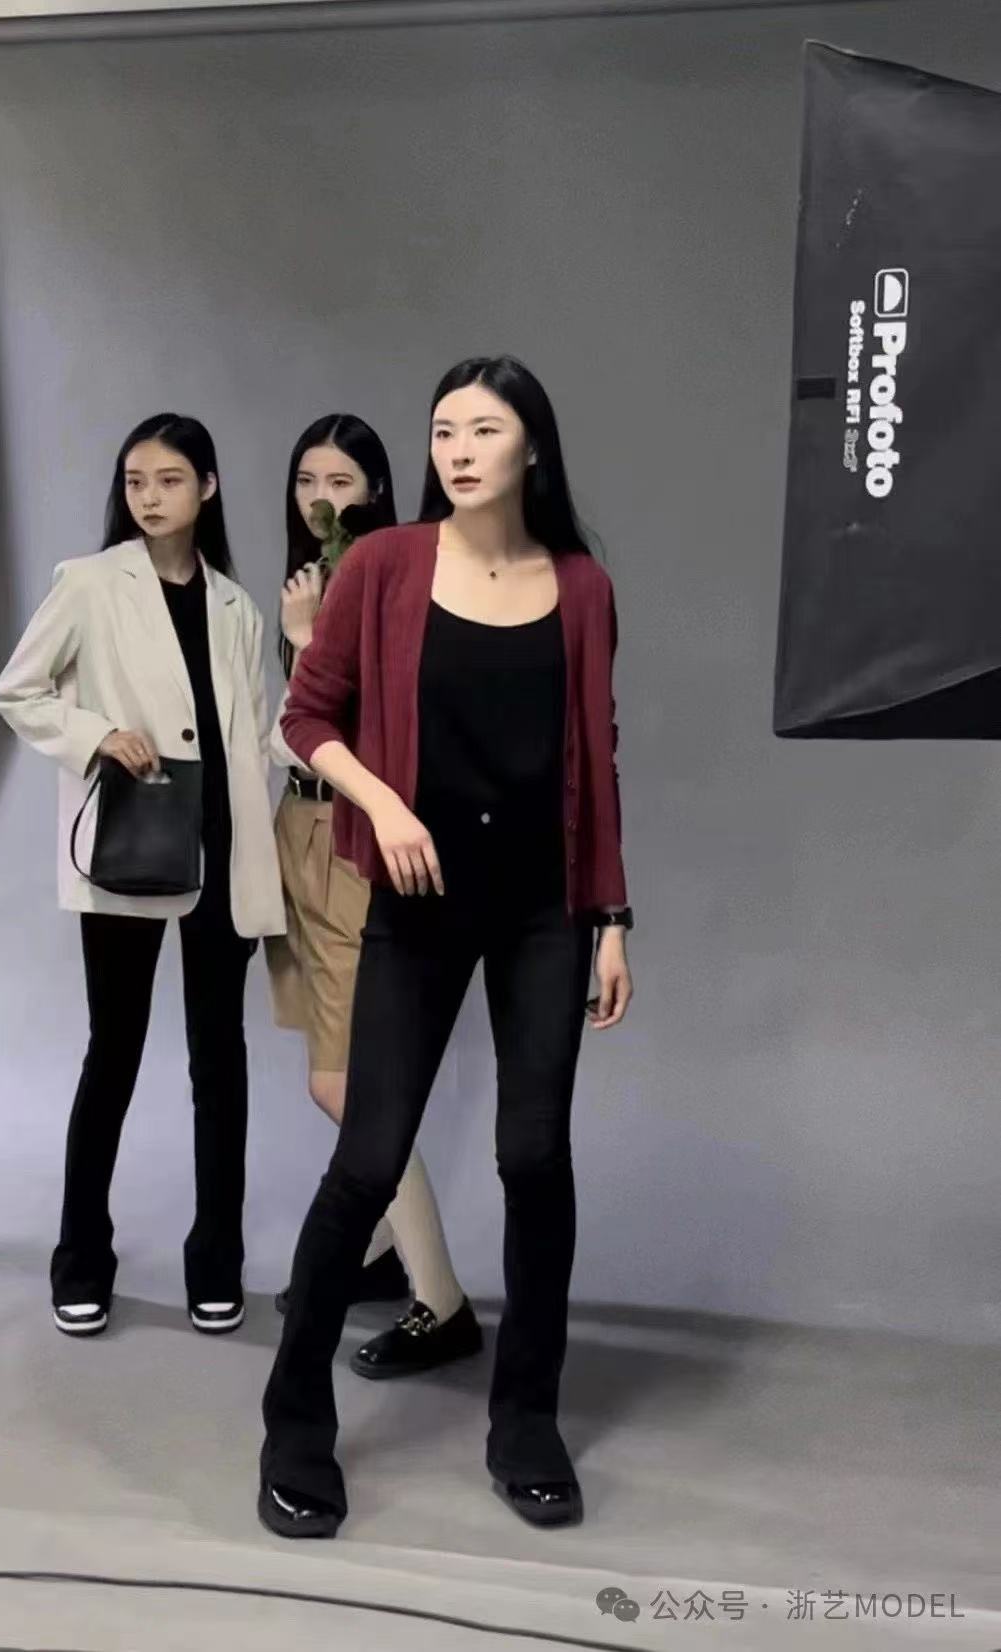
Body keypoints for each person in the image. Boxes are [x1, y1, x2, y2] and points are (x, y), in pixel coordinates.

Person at [258, 357, 633, 1540]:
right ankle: (294, 1421)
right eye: (442, 431)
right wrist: (385, 806)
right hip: (417, 900)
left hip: (542, 912)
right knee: (367, 1157)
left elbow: (594, 758)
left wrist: (610, 919)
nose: (459, 450)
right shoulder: (383, 564)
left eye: (483, 428)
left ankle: (525, 1419)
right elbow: (305, 715)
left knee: (535, 1156)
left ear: (532, 446)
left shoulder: (580, 586)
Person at [0, 413, 285, 1339]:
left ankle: (217, 1262)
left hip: (224, 851)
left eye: (168, 480)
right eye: (134, 481)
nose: (148, 497)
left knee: (220, 1063)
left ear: (208, 487)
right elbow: (18, 690)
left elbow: (257, 736)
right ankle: (81, 1261)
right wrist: (95, 735)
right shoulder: (89, 582)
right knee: (111, 1053)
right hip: (133, 843)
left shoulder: (237, 606)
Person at [267, 414, 481, 1379]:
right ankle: (385, 1254)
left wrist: (307, 640)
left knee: (348, 1085)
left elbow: (372, 727)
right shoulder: (311, 580)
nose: (322, 498)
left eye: (341, 482)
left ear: (378, 494)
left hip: (354, 837)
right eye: (307, 479)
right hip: (298, 834)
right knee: (337, 1072)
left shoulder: (392, 579)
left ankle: (442, 1301)